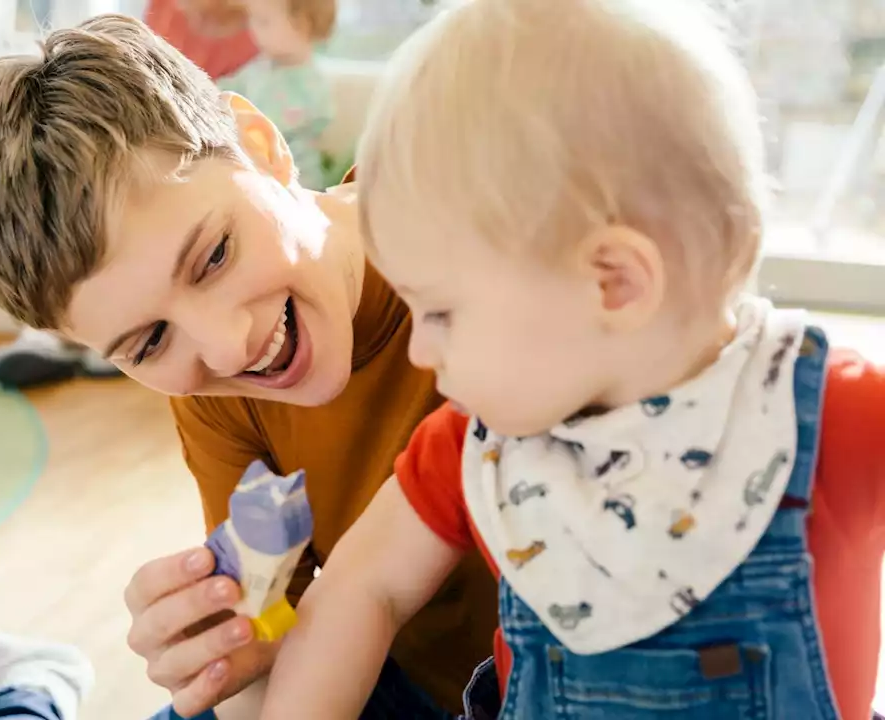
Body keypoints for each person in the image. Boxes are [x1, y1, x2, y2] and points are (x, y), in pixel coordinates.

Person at [258, 1, 885, 719]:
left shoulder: (831, 415)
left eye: (439, 312)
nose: (420, 349)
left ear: (613, 282)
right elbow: (361, 588)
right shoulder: (478, 450)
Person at [0, 12, 499, 720]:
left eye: (214, 255)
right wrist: (228, 647)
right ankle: (26, 693)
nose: (227, 347)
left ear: (262, 145)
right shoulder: (218, 396)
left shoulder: (490, 228)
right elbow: (290, 642)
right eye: (149, 342)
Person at [0, 0, 260, 390]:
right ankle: (75, 340)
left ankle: (122, 340)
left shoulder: (256, 28)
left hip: (188, 156)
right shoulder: (158, 13)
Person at [219, 0, 336, 190]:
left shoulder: (311, 82)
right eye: (252, 19)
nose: (252, 29)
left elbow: (273, 125)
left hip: (293, 180)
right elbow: (228, 88)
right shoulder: (261, 66)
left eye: (264, 21)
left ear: (302, 25)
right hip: (253, 165)